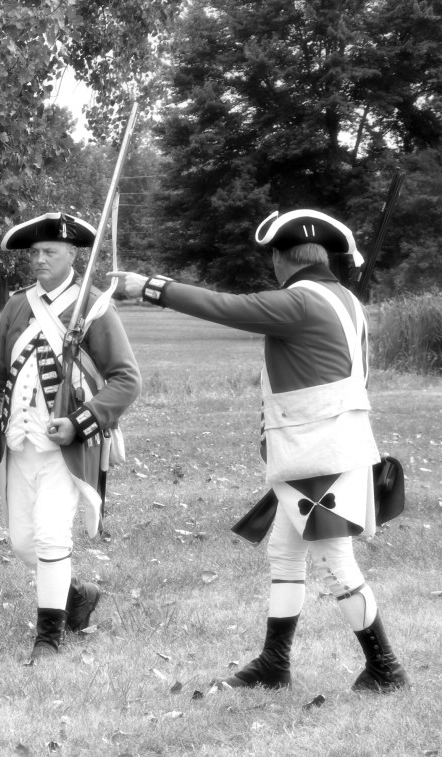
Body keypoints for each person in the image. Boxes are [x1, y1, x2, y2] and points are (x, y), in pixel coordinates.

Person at [110, 208, 408, 692]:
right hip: (329, 446)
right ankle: (274, 663)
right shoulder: (345, 299)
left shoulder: (302, 301)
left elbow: (225, 307)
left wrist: (149, 286)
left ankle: (386, 667)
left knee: (335, 562)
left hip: (319, 454)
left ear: (280, 258)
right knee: (285, 553)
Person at [0, 212, 142, 661]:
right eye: (35, 252)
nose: (40, 259)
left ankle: (48, 637)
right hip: (19, 444)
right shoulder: (16, 306)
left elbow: (127, 380)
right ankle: (78, 596)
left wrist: (81, 421)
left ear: (72, 255)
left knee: (51, 537)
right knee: (23, 544)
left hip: (69, 449)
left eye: (50, 251)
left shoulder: (95, 307)